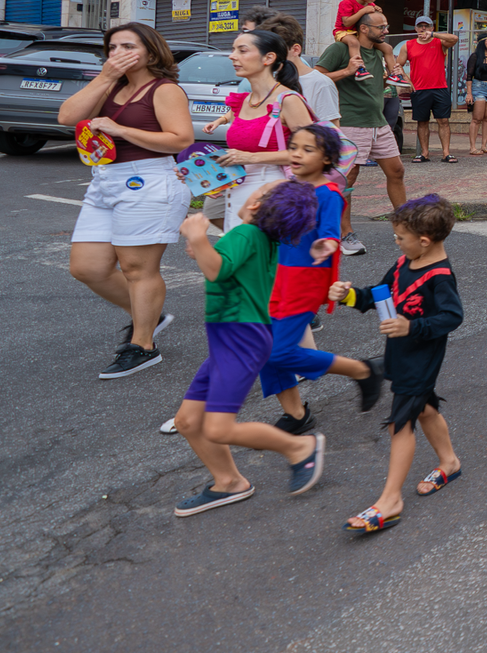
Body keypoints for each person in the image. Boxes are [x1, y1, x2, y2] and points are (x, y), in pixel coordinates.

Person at [170, 182, 326, 515]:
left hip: (239, 340)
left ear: (255, 206)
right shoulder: (260, 238)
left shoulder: (244, 234)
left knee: (218, 427)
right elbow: (224, 268)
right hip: (233, 339)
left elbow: (216, 270)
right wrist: (203, 250)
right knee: (188, 421)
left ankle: (299, 447)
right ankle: (229, 482)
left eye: (258, 190)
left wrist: (198, 235)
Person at [60, 22, 196, 380]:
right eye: (113, 47)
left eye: (128, 46)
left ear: (150, 52)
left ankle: (143, 346)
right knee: (87, 267)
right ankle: (148, 314)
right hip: (106, 180)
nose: (118, 53)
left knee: (138, 268)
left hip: (150, 180)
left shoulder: (164, 89)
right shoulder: (110, 85)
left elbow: (180, 139)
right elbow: (67, 117)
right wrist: (105, 77)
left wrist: (121, 130)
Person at [329, 194, 465, 533]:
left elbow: (452, 316)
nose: (396, 241)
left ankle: (390, 501)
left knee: (399, 423)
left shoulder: (440, 276)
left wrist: (411, 327)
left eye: (400, 237)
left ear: (424, 241)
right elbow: (379, 294)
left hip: (421, 358)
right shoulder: (405, 261)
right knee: (425, 410)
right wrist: (348, 295)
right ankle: (449, 462)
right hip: (400, 352)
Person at [258, 124, 384, 433]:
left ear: (327, 158)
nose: (297, 154)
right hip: (275, 276)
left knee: (279, 351)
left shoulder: (328, 194)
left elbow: (330, 233)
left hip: (306, 280)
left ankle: (361, 370)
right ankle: (296, 415)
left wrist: (327, 244)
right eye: (293, 147)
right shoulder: (288, 188)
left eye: (307, 149)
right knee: (265, 348)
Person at [316, 11, 406, 255]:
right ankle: (345, 233)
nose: (386, 31)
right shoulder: (340, 49)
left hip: (378, 122)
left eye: (386, 25)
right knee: (347, 178)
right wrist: (347, 71)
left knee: (397, 171)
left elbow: (374, 86)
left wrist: (390, 79)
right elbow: (316, 78)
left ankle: (404, 227)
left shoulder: (380, 52)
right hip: (350, 122)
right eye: (381, 27)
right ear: (364, 29)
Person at [213, 28, 316, 231]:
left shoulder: (288, 100)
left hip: (275, 193)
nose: (232, 56)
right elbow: (239, 155)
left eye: (242, 50)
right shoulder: (242, 101)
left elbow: (311, 154)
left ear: (268, 58)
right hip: (237, 194)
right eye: (233, 50)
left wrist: (251, 158)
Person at [399, 16, 460, 163]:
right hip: (419, 89)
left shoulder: (439, 42)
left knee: (443, 120)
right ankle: (424, 153)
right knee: (422, 121)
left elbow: (455, 38)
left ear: (432, 28)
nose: (423, 29)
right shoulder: (408, 45)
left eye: (426, 26)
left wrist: (433, 35)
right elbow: (398, 64)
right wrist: (407, 80)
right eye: (420, 26)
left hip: (439, 87)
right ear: (415, 28)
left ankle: (446, 153)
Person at [333, 0, 383, 76]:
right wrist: (363, 11)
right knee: (353, 43)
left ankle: (393, 74)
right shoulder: (347, 3)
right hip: (343, 32)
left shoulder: (370, 5)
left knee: (386, 48)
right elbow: (347, 23)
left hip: (359, 34)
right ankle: (359, 68)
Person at [464, 31, 487, 155]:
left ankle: (484, 145)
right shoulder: (475, 56)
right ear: (482, 42)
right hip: (479, 87)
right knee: (477, 118)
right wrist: (469, 93)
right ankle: (473, 147)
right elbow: (469, 76)